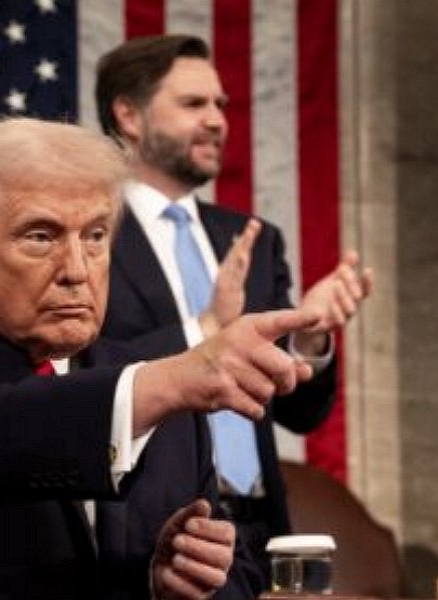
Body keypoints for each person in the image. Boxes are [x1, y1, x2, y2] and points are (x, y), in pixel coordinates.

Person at [0, 117, 321, 599]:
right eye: (41, 236)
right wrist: (168, 382)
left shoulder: (159, 405)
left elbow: (236, 578)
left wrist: (170, 585)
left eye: (95, 236)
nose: (77, 269)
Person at [94, 34, 374, 591]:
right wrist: (203, 329)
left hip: (260, 525)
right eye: (193, 103)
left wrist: (308, 339)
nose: (218, 120)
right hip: (157, 532)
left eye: (221, 104)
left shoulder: (251, 239)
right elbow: (87, 373)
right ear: (128, 115)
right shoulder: (93, 234)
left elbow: (299, 412)